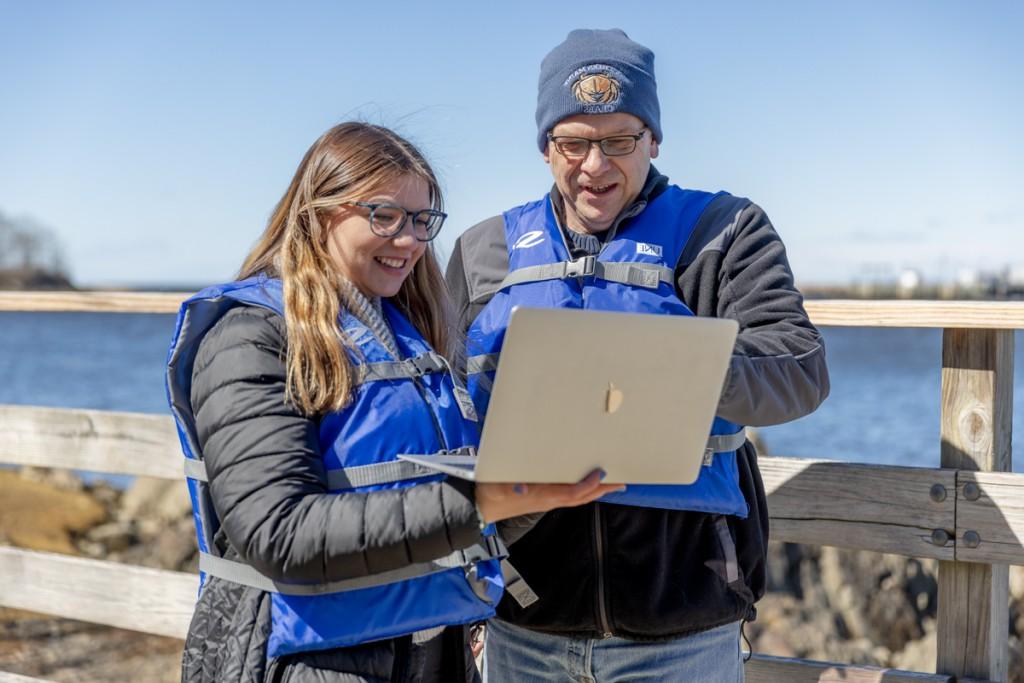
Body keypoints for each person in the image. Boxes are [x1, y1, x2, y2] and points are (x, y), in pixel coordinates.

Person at [165, 122, 623, 683]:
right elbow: (276, 532)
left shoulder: (414, 336)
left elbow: (457, 517)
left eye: (421, 220)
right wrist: (478, 502)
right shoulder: (249, 337)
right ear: (318, 210)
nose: (409, 240)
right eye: (384, 216)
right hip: (306, 660)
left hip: (431, 653)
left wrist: (537, 488)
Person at [445, 29, 830, 681]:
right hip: (521, 623)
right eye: (573, 143)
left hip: (682, 629)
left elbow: (798, 371)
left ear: (654, 140)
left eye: (620, 141)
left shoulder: (724, 232)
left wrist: (664, 370)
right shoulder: (484, 249)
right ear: (545, 148)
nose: (595, 166)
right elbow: (441, 408)